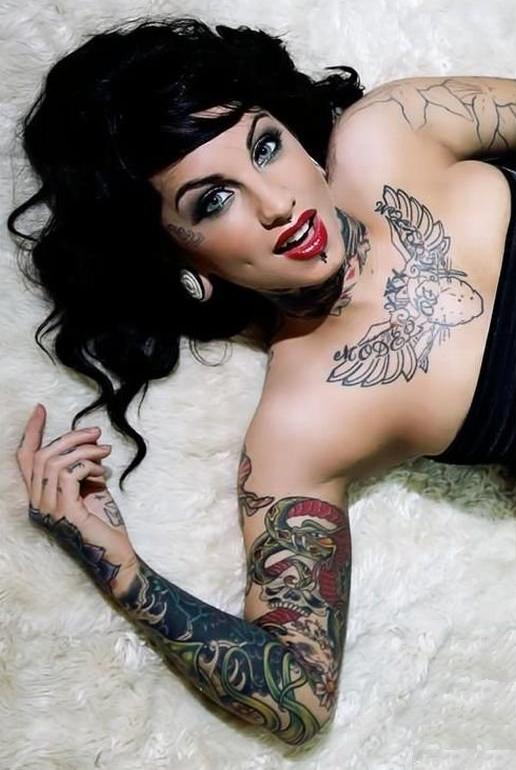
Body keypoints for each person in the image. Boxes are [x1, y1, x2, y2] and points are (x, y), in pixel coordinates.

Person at [9, 14, 516, 747]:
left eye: (265, 147)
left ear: (299, 139)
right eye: (212, 201)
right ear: (180, 261)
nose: (276, 204)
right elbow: (299, 695)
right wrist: (118, 565)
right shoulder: (302, 424)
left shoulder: (393, 130)